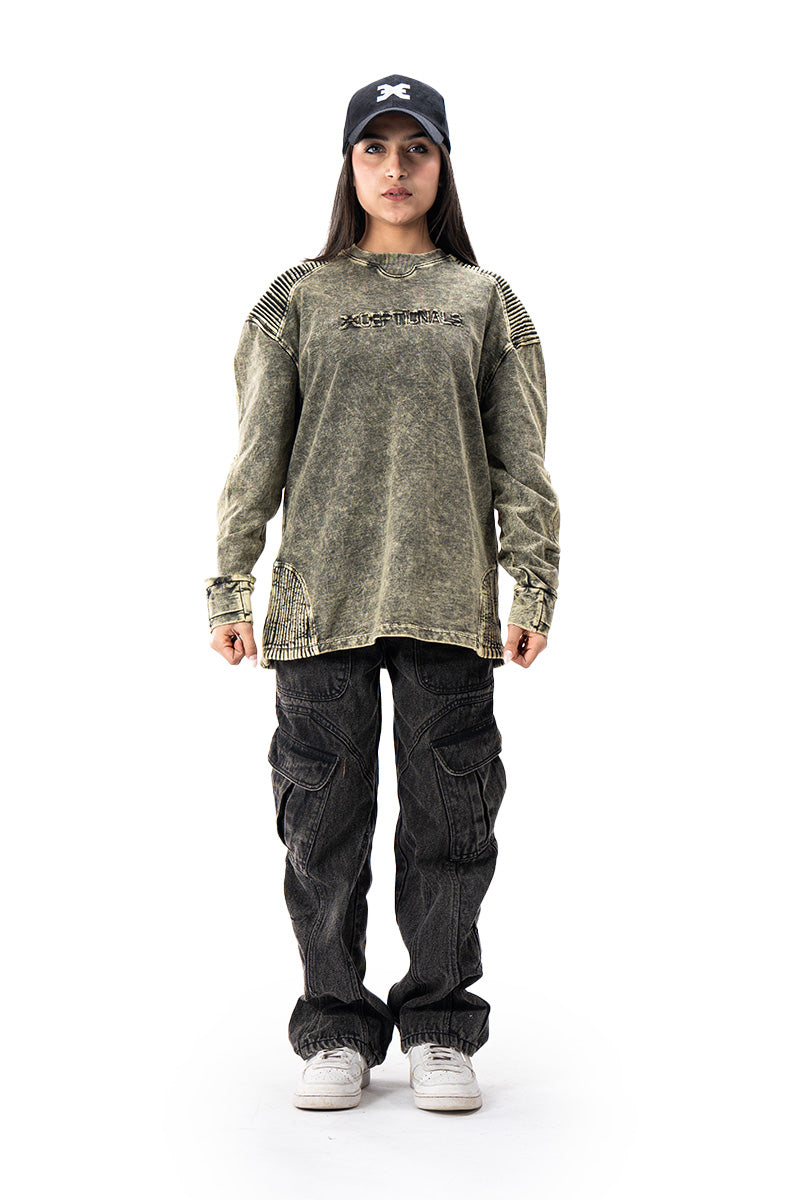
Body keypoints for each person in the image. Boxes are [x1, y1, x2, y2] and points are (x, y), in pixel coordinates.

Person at [205, 74, 561, 1113]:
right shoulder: (296, 300)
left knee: (451, 825)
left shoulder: (485, 301)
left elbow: (521, 459)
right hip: (319, 603)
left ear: (442, 165)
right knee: (321, 831)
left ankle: (441, 1024)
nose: (395, 169)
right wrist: (230, 585)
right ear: (349, 164)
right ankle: (333, 1026)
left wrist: (533, 584)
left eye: (416, 149)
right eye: (375, 148)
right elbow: (255, 457)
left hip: (448, 602)